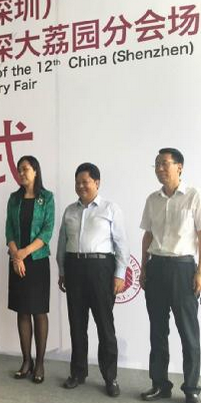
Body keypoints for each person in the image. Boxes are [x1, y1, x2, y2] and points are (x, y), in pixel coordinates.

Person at [56, 163, 129, 397]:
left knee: (105, 326)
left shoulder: (110, 209)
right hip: (74, 268)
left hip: (101, 269)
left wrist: (119, 274)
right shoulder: (70, 211)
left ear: (97, 183)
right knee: (77, 324)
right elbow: (62, 243)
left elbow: (122, 244)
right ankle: (78, 373)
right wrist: (62, 270)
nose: (80, 186)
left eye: (85, 182)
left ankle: (110, 377)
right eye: (77, 182)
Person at [139, 148, 201, 403]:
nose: (160, 168)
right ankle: (160, 384)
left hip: (183, 269)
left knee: (189, 333)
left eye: (165, 163)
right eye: (156, 164)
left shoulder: (194, 196)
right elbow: (148, 235)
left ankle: (192, 387)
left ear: (180, 166)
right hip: (156, 268)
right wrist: (144, 267)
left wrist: (200, 272)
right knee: (157, 331)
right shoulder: (152, 199)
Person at [6, 156, 54, 383]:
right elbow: (9, 230)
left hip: (37, 261)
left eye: (25, 169)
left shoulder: (47, 198)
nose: (21, 173)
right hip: (17, 261)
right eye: (19, 170)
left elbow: (47, 231)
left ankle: (40, 363)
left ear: (35, 171)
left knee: (39, 312)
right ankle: (27, 360)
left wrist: (23, 253)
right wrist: (16, 255)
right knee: (22, 311)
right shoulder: (14, 198)